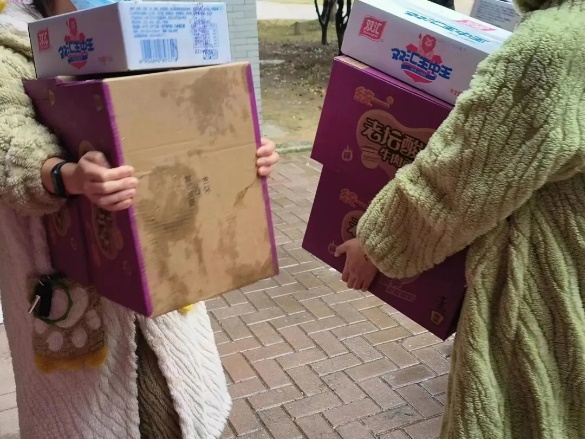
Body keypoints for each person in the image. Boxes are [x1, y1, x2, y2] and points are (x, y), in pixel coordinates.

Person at [0, 1, 280, 437]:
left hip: (163, 266)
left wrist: (240, 149)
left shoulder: (141, 34)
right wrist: (64, 174)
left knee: (180, 406)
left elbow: (191, 113)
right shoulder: (12, 43)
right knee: (119, 417)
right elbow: (7, 135)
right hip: (73, 288)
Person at [336, 0, 585, 437]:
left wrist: (374, 243)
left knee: (526, 407)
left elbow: (461, 177)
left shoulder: (552, 44)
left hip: (544, 273)